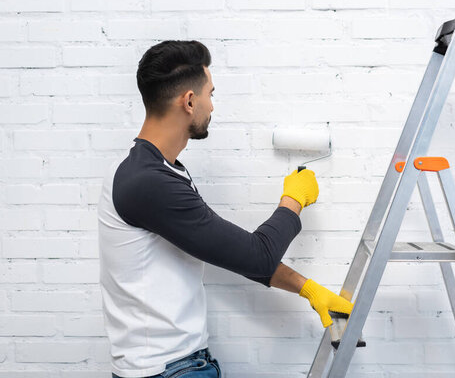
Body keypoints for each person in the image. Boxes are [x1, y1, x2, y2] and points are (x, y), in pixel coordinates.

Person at [97, 40, 354, 378]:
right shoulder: (148, 183)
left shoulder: (157, 170)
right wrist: (293, 200)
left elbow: (232, 252)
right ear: (189, 101)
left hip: (177, 366)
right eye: (210, 94)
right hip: (165, 372)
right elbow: (258, 254)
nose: (212, 107)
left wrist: (307, 289)